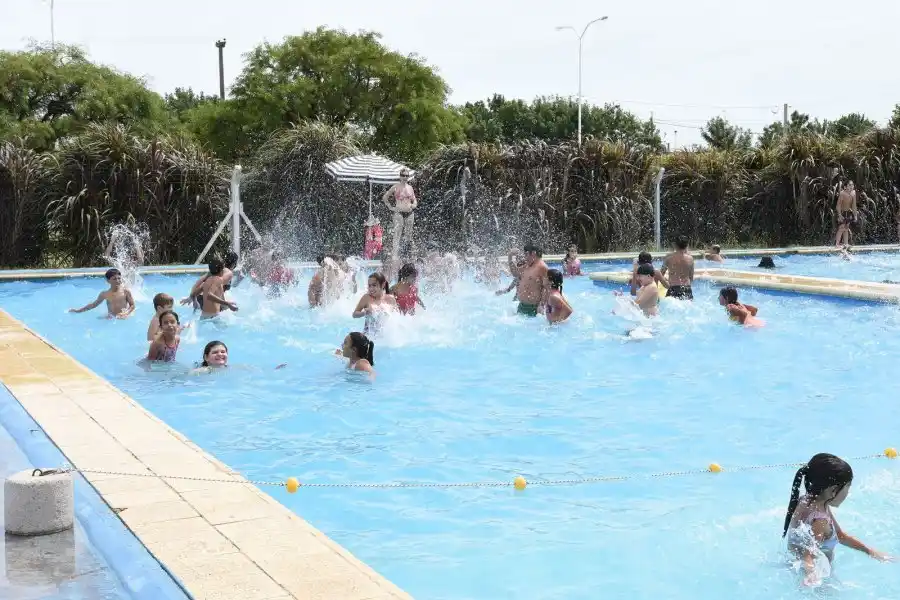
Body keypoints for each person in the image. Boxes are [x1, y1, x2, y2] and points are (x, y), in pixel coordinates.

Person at [783, 453, 892, 587]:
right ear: (834, 490)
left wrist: (869, 551)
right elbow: (808, 554)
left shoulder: (807, 500)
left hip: (797, 568)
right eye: (847, 487)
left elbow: (840, 536)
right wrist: (811, 574)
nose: (848, 493)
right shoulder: (821, 521)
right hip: (817, 578)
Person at [69, 268, 135, 318]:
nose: (117, 281)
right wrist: (78, 311)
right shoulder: (104, 294)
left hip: (124, 317)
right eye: (114, 279)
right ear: (108, 281)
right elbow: (93, 305)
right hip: (111, 318)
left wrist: (126, 313)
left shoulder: (125, 292)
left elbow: (132, 305)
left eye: (119, 278)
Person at [382, 168, 417, 260]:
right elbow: (385, 197)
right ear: (400, 176)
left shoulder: (410, 188)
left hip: (409, 213)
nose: (405, 177)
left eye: (407, 176)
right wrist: (390, 207)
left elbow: (415, 200)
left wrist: (413, 205)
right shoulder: (395, 187)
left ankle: (407, 255)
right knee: (397, 233)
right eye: (403, 175)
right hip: (398, 212)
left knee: (408, 235)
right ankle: (395, 255)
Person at [508, 243, 549, 316]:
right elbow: (515, 273)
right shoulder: (528, 265)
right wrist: (510, 256)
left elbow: (546, 288)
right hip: (522, 306)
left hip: (534, 308)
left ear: (533, 253)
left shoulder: (542, 267)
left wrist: (541, 305)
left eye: (526, 254)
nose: (524, 257)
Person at [660, 236, 694, 300]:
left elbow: (661, 274)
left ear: (674, 245)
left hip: (673, 288)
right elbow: (691, 278)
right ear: (686, 245)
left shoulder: (668, 258)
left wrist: (666, 285)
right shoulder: (690, 259)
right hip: (687, 289)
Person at [834, 181, 858, 247]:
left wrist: (855, 215)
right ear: (845, 187)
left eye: (852, 185)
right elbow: (838, 205)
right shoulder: (842, 193)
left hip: (848, 212)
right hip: (841, 212)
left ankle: (846, 243)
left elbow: (854, 205)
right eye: (850, 185)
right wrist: (839, 214)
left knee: (846, 228)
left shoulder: (853, 193)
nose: (851, 186)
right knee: (841, 228)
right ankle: (837, 244)